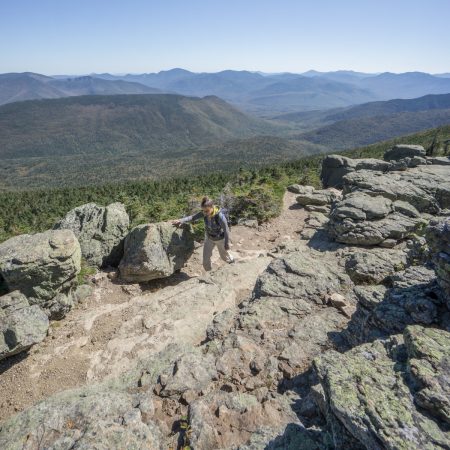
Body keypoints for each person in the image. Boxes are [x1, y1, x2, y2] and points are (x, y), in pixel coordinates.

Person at [172, 196, 234, 271]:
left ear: (212, 207)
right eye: (203, 211)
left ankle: (233, 263)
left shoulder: (220, 216)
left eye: (207, 211)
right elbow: (192, 217)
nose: (205, 213)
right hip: (209, 238)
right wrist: (180, 220)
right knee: (205, 259)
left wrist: (226, 243)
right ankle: (209, 274)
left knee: (224, 256)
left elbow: (226, 230)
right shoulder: (205, 213)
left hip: (220, 239)